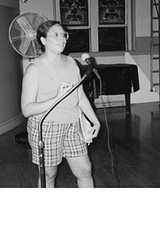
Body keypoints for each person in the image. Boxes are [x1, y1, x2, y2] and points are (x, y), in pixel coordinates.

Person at [21, 20, 100, 188]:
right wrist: (56, 98)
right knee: (49, 175)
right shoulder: (34, 68)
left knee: (85, 170)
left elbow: (80, 97)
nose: (61, 39)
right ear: (43, 40)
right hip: (47, 127)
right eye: (55, 35)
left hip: (72, 125)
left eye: (64, 35)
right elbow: (26, 110)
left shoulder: (72, 63)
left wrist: (95, 120)